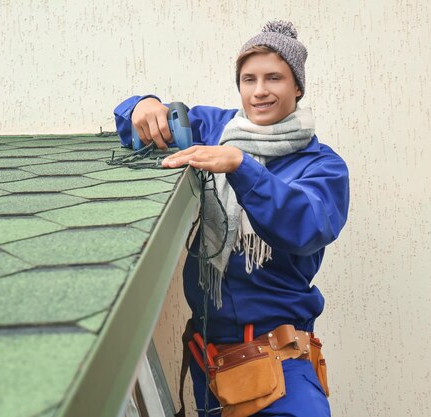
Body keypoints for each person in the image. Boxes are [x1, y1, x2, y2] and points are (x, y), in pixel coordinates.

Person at [114, 20, 349, 417]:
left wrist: (242, 167)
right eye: (248, 79)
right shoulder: (219, 128)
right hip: (212, 370)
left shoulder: (323, 166)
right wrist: (143, 106)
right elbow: (150, 121)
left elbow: (305, 226)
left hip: (281, 369)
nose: (260, 91)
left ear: (298, 87)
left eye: (274, 78)